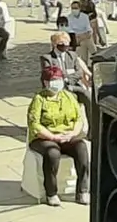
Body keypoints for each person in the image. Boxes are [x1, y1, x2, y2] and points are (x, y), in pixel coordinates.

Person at [26, 65, 89, 206]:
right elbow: (35, 125)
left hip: (67, 136)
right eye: (53, 80)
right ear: (45, 82)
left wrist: (72, 134)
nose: (56, 83)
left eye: (58, 79)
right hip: (44, 138)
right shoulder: (39, 99)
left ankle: (82, 190)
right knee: (52, 153)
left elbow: (78, 119)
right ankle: (51, 193)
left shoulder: (69, 97)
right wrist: (53, 137)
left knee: (81, 149)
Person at [41, 31, 92, 107]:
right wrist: (65, 78)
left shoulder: (72, 55)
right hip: (55, 87)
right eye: (61, 42)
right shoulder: (47, 58)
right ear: (54, 44)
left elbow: (79, 73)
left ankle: (91, 114)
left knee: (88, 96)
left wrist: (67, 79)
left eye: (66, 42)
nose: (64, 44)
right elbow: (50, 75)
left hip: (73, 85)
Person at [67, 0, 95, 64]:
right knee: (86, 42)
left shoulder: (85, 16)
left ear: (79, 8)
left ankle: (90, 58)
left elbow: (88, 29)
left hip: (84, 36)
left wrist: (83, 36)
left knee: (86, 42)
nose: (74, 10)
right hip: (75, 38)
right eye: (72, 8)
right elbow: (70, 31)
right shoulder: (68, 18)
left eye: (76, 8)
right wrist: (79, 37)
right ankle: (94, 55)